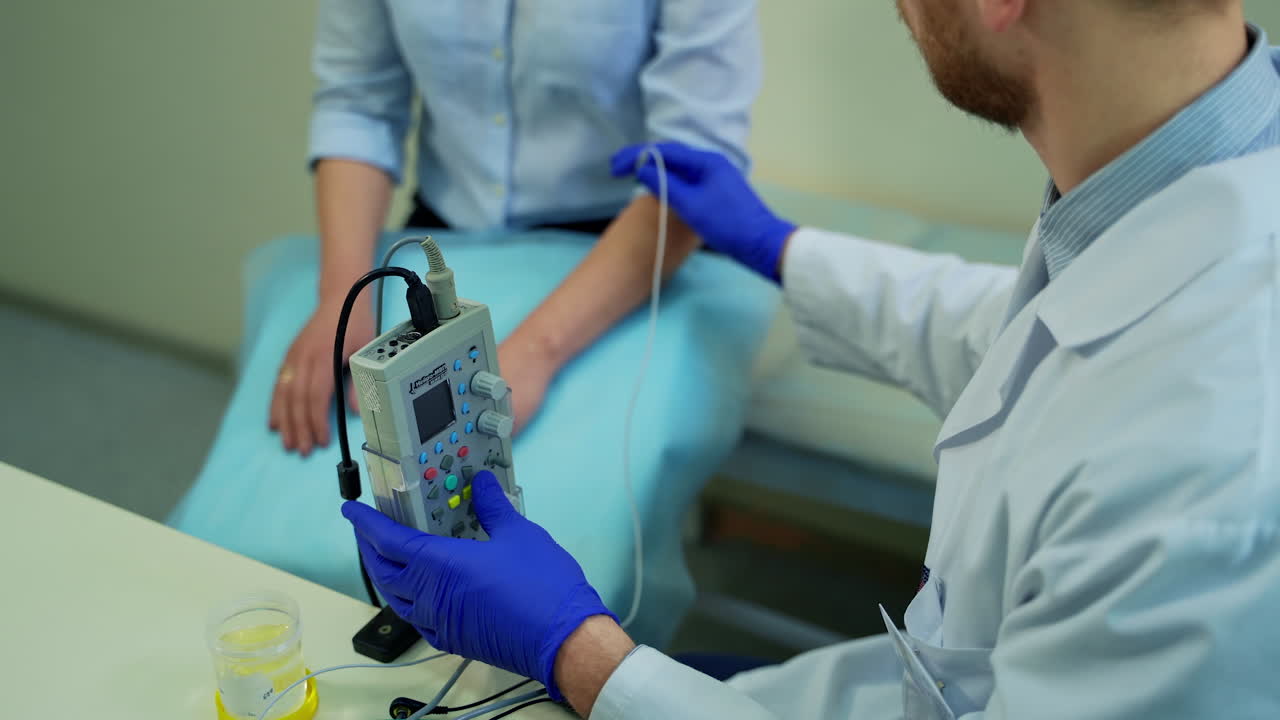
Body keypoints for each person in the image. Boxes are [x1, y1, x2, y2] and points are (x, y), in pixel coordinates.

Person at [343, 1, 1280, 718]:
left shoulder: (1212, 476)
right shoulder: (1180, 176)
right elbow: (1032, 338)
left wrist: (580, 653)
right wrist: (778, 246)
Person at [269, 1, 760, 454]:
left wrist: (536, 353)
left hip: (628, 251)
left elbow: (693, 165)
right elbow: (358, 103)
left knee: (560, 480)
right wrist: (341, 294)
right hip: (446, 239)